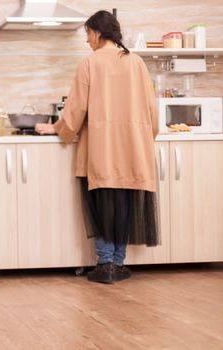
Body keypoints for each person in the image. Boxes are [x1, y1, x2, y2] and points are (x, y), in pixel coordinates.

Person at [35, 10, 159, 284]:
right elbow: (152, 110)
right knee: (124, 206)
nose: (87, 40)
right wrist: (146, 136)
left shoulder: (90, 63)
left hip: (102, 150)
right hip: (133, 150)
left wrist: (56, 128)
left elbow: (75, 110)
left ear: (98, 33)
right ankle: (118, 263)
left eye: (88, 34)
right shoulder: (136, 62)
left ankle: (105, 265)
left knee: (101, 206)